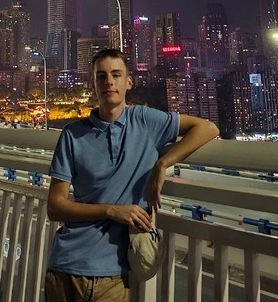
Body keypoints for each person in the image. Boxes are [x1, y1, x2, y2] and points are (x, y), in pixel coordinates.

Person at [45, 49, 220, 301]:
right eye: (101, 76)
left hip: (111, 275)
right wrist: (111, 211)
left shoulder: (145, 121)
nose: (109, 82)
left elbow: (208, 128)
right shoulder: (72, 135)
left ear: (128, 82)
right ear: (93, 83)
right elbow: (55, 207)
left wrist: (163, 164)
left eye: (116, 75)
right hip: (64, 267)